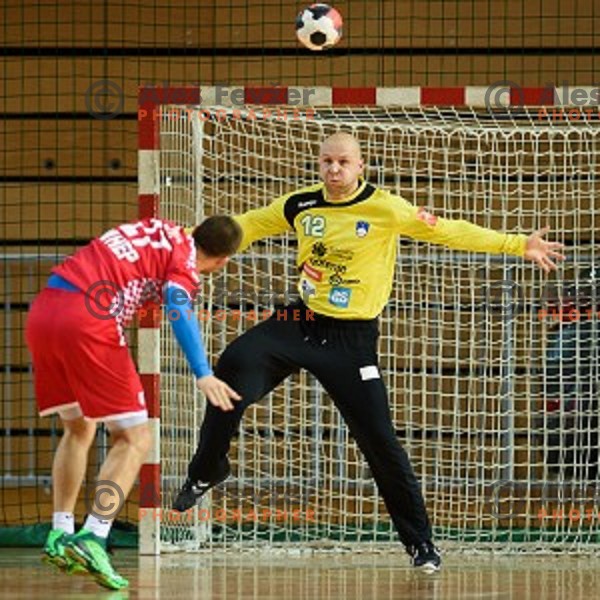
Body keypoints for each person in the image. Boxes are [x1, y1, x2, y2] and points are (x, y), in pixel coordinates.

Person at [172, 132, 565, 572]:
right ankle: (206, 470)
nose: (334, 170)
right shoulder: (299, 205)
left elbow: (450, 231)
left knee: (380, 443)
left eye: (343, 162)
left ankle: (421, 544)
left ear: (361, 166)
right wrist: (177, 244)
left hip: (352, 340)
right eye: (326, 162)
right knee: (232, 370)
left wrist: (517, 244)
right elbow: (243, 227)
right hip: (298, 323)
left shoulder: (386, 208)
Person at [25, 216, 242, 590]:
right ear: (222, 261)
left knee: (79, 427)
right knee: (136, 438)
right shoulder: (185, 263)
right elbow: (177, 302)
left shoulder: (160, 228)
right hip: (89, 319)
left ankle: (60, 532)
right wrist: (203, 371)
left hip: (45, 312)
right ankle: (93, 536)